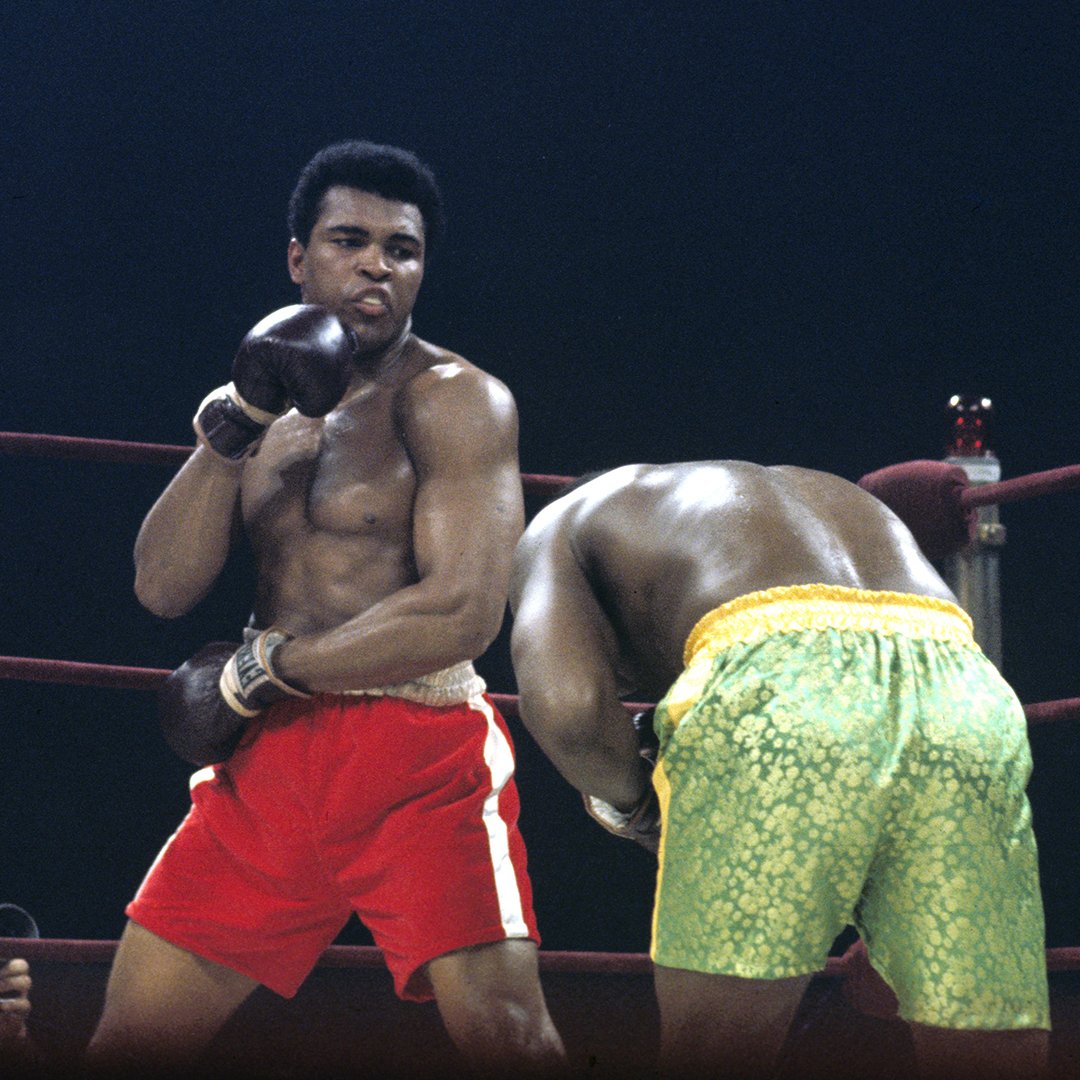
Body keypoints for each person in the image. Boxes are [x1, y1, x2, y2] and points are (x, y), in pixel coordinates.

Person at [87, 141, 564, 1076]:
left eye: (403, 248)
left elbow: (463, 610)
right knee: (129, 1039)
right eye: (351, 241)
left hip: (414, 750)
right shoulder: (255, 407)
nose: (379, 265)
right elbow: (160, 586)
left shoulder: (458, 400)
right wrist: (233, 428)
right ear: (299, 258)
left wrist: (263, 671)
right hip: (269, 759)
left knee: (506, 1039)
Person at [509, 461, 1049, 1080]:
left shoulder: (559, 522)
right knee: (988, 1047)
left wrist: (638, 805)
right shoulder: (818, 492)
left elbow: (570, 711)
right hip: (964, 690)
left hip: (778, 689)